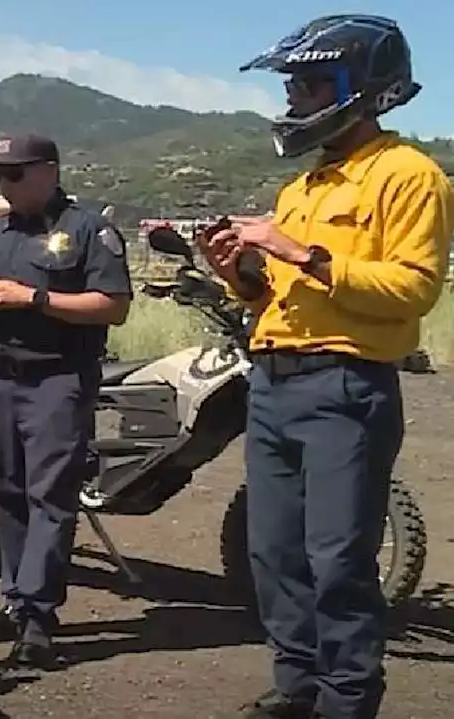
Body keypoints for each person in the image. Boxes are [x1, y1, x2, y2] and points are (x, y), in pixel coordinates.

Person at [198, 15, 452, 719]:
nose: (295, 100)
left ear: (362, 89)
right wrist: (240, 274)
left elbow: (415, 287)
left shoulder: (409, 175)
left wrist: (301, 252)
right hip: (275, 380)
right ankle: (297, 682)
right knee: (273, 552)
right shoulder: (304, 186)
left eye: (309, 84)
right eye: (293, 86)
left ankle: (347, 698)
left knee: (339, 557)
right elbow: (273, 295)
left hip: (346, 385)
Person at [0, 133, 131, 674]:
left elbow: (113, 306)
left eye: (14, 174)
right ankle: (15, 601)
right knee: (5, 492)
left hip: (58, 379)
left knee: (49, 495)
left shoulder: (87, 230)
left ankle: (37, 618)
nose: (3, 185)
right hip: (0, 376)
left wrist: (33, 297)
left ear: (48, 171)